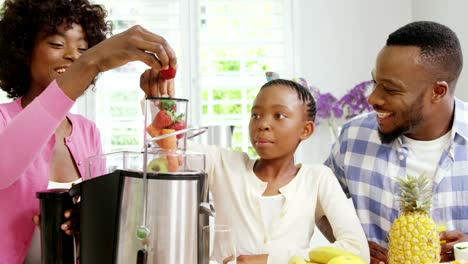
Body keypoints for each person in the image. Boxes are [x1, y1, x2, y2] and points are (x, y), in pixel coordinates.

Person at [0, 0, 176, 262]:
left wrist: (87, 220)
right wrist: (91, 60)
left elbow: (107, 219)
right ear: (25, 50)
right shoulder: (3, 120)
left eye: (83, 48)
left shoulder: (87, 132)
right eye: (57, 44)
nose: (73, 55)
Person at [143, 78, 370, 263]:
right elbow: (169, 146)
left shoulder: (318, 178)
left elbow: (357, 250)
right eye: (256, 115)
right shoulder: (225, 164)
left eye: (279, 115)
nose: (262, 124)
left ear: (306, 130)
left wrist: (269, 260)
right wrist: (159, 101)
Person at [324, 21, 468, 263]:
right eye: (375, 83)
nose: (373, 99)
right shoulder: (354, 136)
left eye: (390, 90)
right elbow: (318, 202)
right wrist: (350, 243)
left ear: (438, 92)